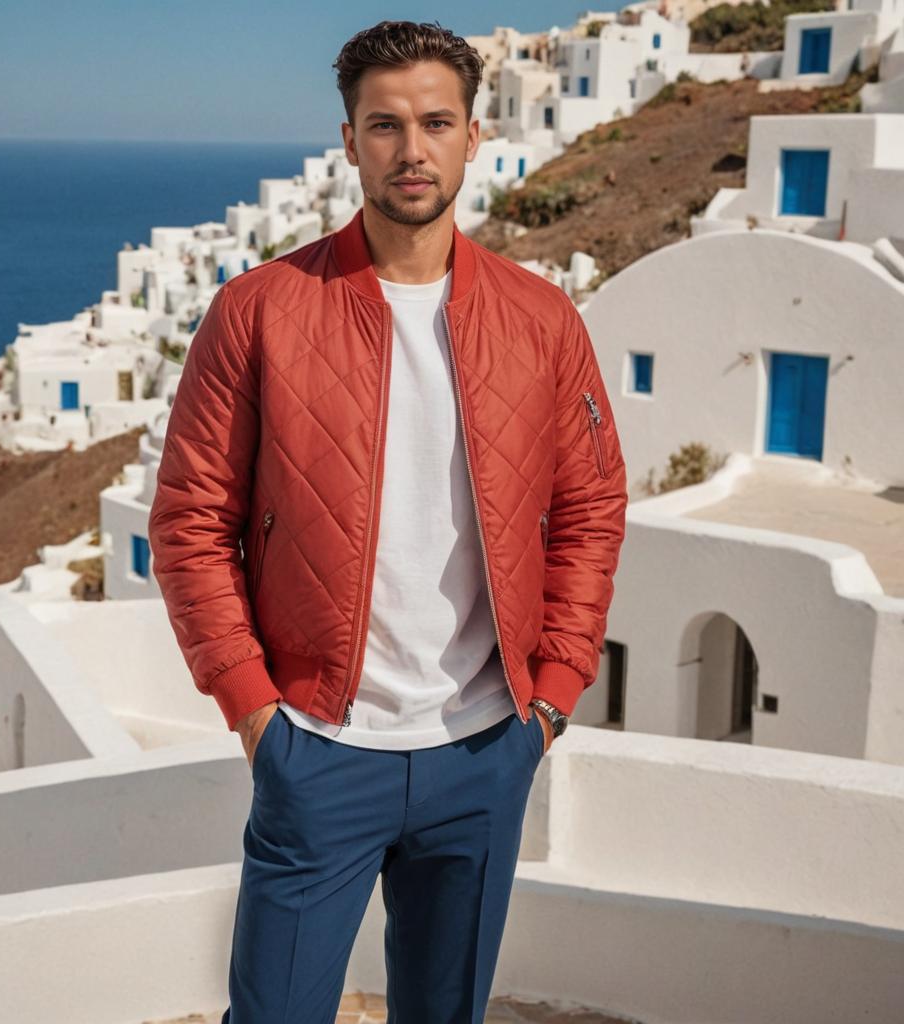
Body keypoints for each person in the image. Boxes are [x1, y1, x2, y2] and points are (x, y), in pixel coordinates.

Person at [148, 18, 628, 1024]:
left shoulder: (542, 320)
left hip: (487, 746)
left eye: (435, 122)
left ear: (472, 135)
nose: (411, 149)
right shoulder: (259, 310)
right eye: (385, 124)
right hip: (317, 745)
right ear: (349, 138)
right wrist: (252, 710)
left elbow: (588, 512)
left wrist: (552, 695)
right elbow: (192, 521)